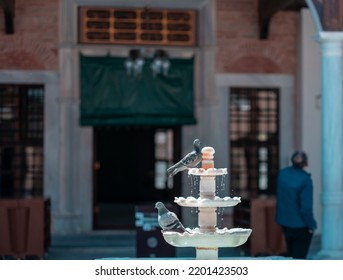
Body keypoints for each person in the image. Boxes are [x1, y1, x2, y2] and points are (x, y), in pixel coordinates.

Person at [275, 151, 317, 259]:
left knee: (291, 255)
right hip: (300, 225)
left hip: (285, 223)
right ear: (306, 163)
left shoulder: (282, 174)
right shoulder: (305, 180)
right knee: (299, 258)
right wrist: (311, 225)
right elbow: (306, 208)